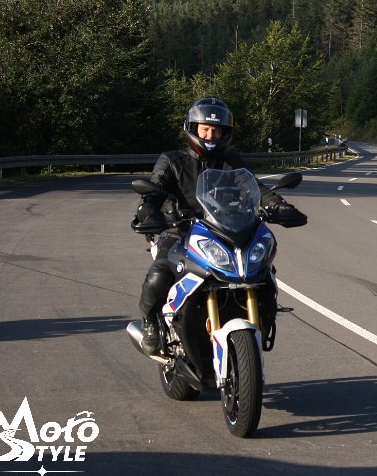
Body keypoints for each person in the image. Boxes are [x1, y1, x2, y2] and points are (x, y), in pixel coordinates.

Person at [131, 97, 306, 355]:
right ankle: (150, 325)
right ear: (193, 129)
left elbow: (256, 189)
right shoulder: (172, 161)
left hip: (224, 232)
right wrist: (148, 212)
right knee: (159, 274)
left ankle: (262, 320)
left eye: (216, 130)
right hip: (179, 232)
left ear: (225, 133)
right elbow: (153, 191)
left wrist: (278, 205)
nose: (210, 135)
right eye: (205, 129)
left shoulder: (232, 161)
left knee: (263, 272)